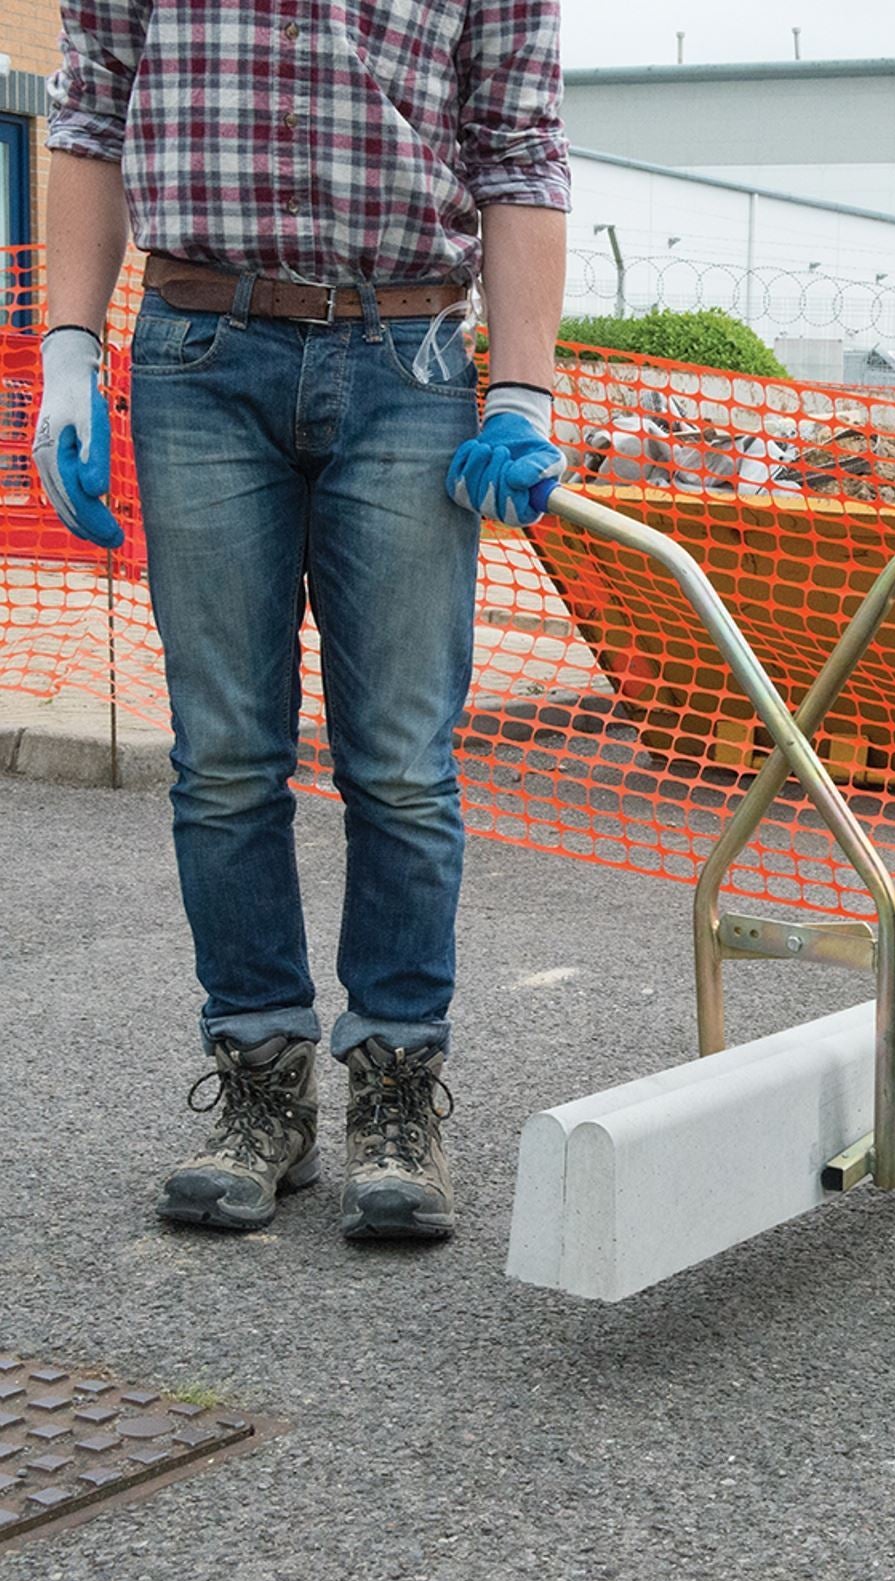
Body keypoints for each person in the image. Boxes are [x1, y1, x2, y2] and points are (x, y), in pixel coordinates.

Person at [34, 1, 570, 1241]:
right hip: (198, 345)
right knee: (223, 755)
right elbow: (91, 105)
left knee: (400, 758)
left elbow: (519, 147)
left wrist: (525, 389)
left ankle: (395, 1089)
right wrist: (68, 347)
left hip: (412, 358)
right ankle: (261, 1090)